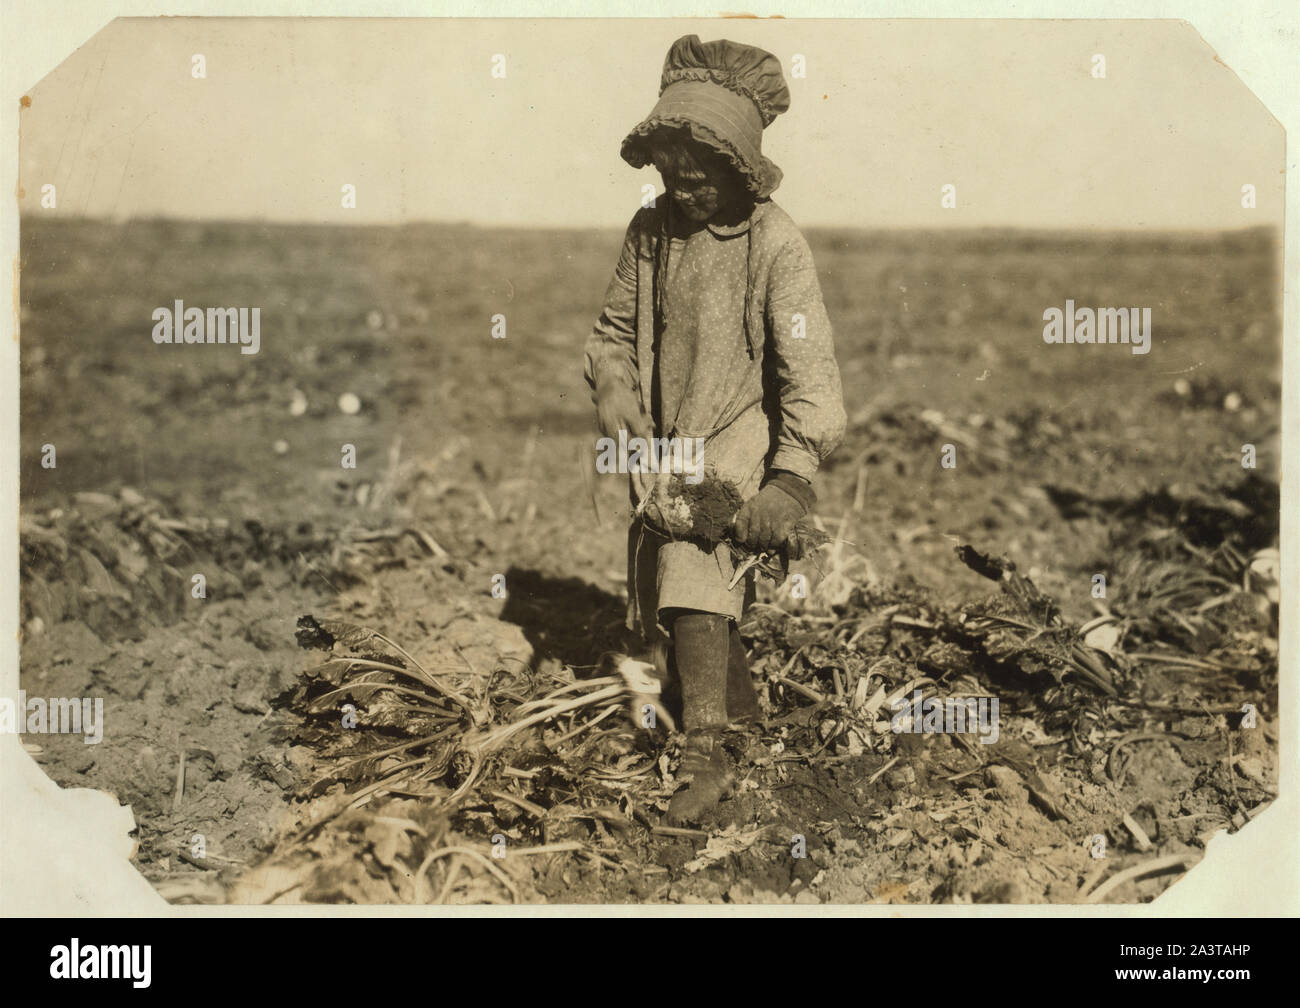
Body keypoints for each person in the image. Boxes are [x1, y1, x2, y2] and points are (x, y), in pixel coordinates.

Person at [584, 34, 847, 824]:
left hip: (740, 439)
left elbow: (810, 374)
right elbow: (612, 331)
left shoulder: (776, 248)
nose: (683, 190)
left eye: (700, 178)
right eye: (670, 174)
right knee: (682, 587)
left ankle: (707, 755)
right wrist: (614, 384)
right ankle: (747, 722)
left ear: (741, 168)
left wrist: (791, 480)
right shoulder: (652, 232)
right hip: (667, 440)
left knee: (693, 568)